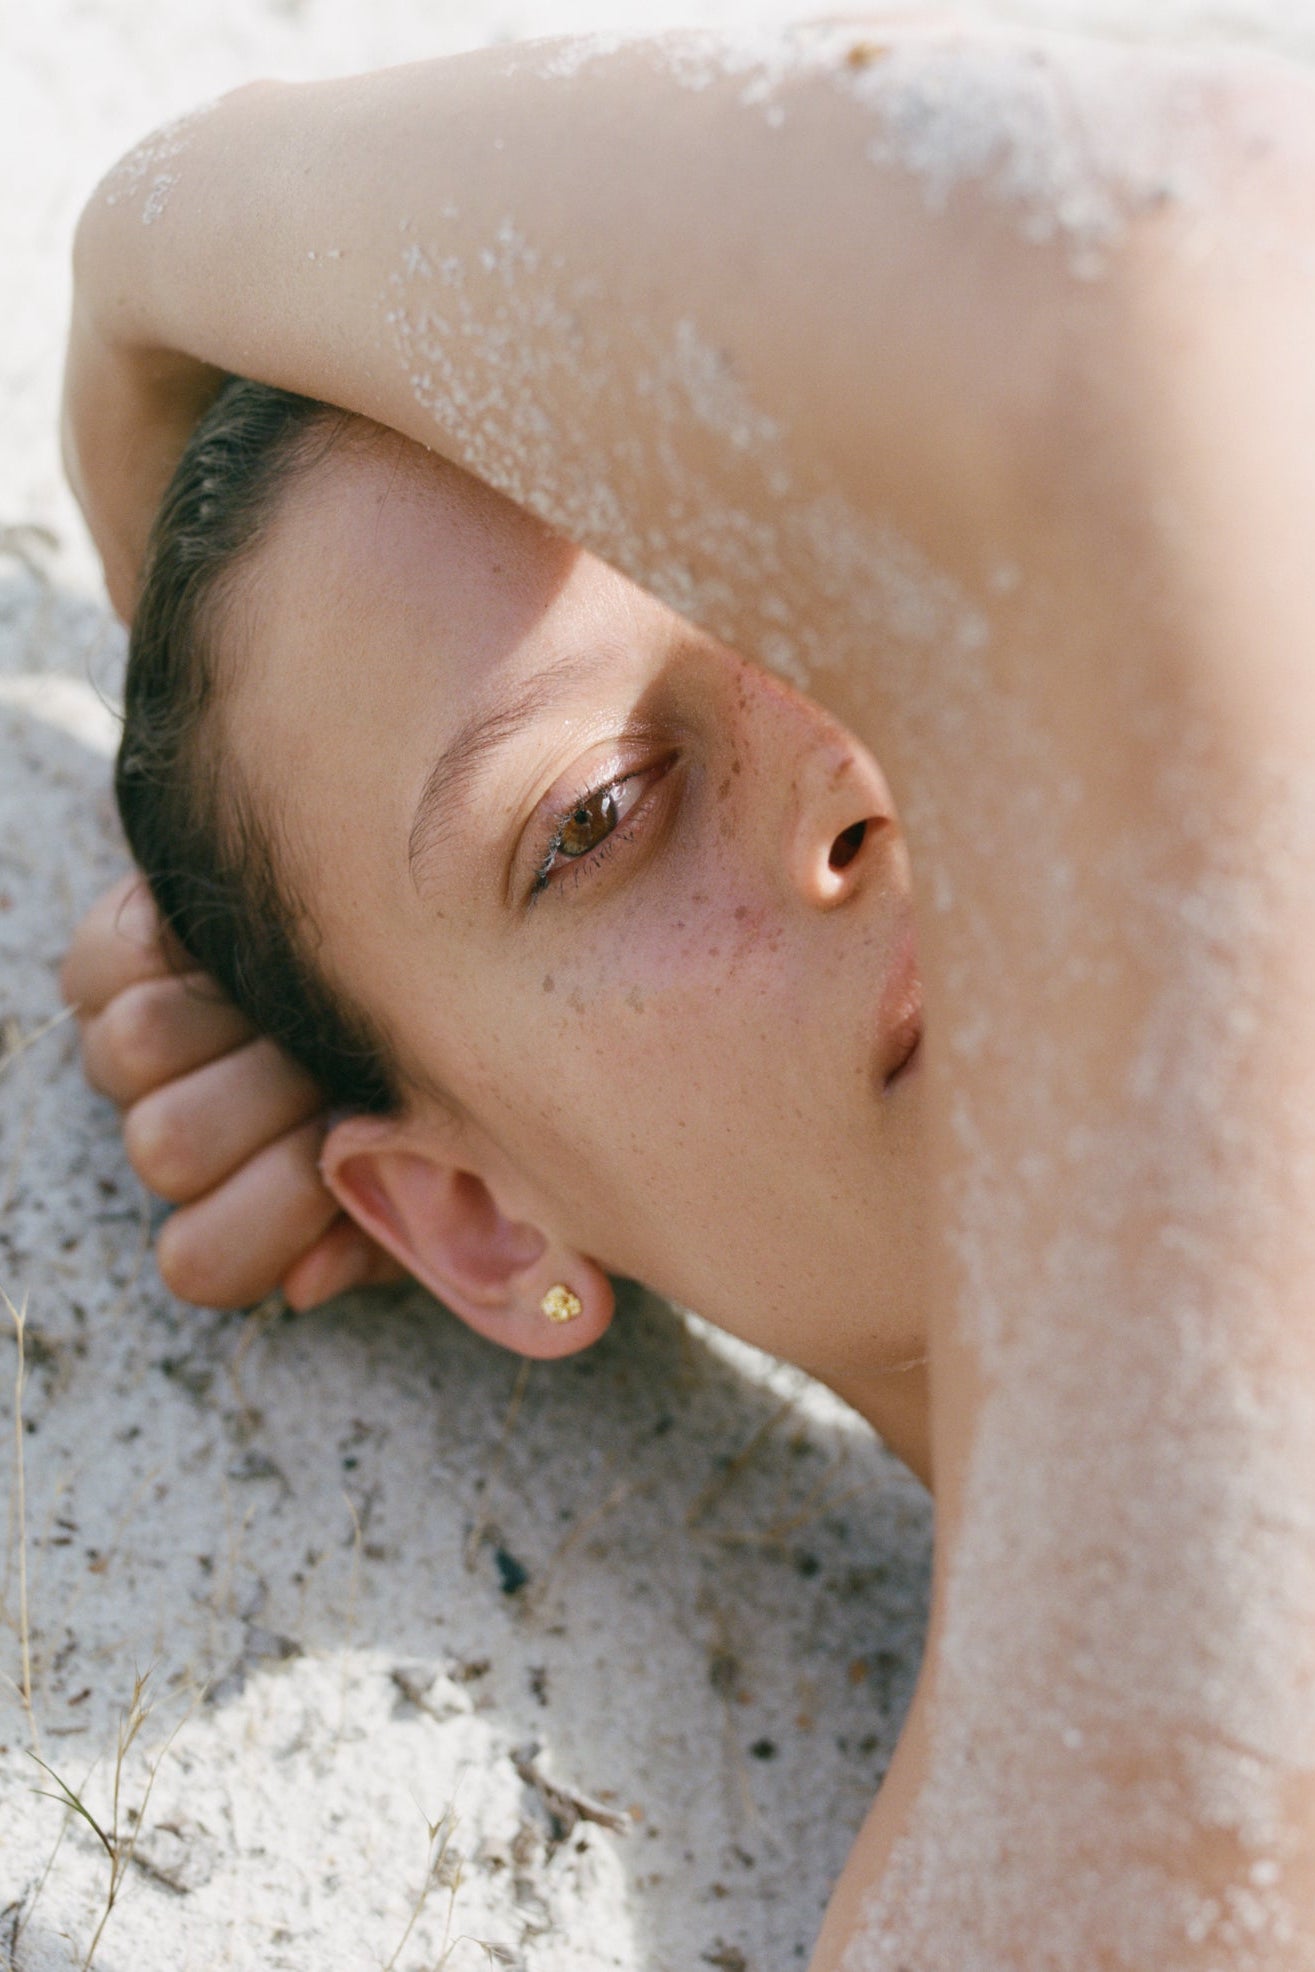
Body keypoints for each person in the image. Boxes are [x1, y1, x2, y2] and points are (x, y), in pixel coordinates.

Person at [57, 18, 1315, 1967]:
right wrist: (156, 242)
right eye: (605, 813)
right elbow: (1146, 258)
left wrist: (152, 255)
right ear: (475, 1217)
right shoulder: (1104, 1879)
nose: (861, 748)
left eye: (884, 573)